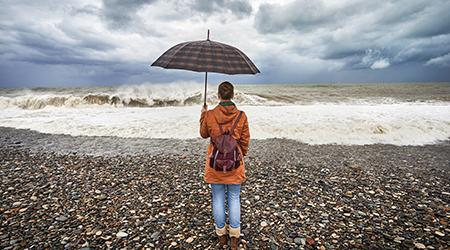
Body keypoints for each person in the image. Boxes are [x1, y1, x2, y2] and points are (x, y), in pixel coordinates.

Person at [199, 81, 250, 249]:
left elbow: (203, 134)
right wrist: (238, 156)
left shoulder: (211, 115)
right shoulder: (241, 116)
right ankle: (234, 238)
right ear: (233, 95)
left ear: (218, 95)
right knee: (234, 198)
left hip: (215, 164)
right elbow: (244, 141)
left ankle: (221, 236)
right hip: (235, 165)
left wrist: (203, 114)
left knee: (218, 198)